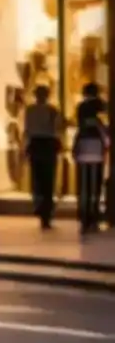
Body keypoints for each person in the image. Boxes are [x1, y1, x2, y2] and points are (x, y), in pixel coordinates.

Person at [23, 84, 63, 229]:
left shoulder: (30, 110)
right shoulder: (52, 110)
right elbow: (57, 128)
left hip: (36, 144)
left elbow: (27, 130)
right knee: (48, 180)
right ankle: (46, 211)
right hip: (48, 144)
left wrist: (25, 147)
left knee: (37, 179)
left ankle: (39, 206)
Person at [75, 82, 108, 233]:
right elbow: (104, 127)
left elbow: (80, 126)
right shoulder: (102, 106)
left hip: (83, 146)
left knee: (83, 185)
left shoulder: (81, 107)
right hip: (96, 147)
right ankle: (93, 218)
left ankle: (84, 218)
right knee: (95, 185)